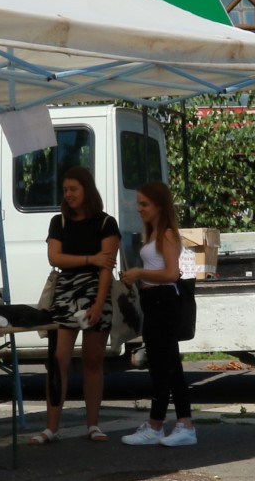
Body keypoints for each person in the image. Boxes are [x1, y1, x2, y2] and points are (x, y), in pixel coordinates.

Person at [32, 167, 119, 444]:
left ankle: (93, 424)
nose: (68, 194)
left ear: (87, 190)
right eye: (65, 190)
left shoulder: (107, 223)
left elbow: (107, 267)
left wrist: (98, 304)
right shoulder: (59, 221)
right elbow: (54, 258)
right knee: (58, 361)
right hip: (65, 294)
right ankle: (51, 427)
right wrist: (90, 259)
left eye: (73, 189)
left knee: (93, 362)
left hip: (97, 294)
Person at [118, 180, 196, 447]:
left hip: (164, 300)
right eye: (139, 204)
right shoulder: (152, 234)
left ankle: (174, 425)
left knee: (168, 365)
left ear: (159, 206)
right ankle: (163, 424)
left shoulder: (167, 235)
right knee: (162, 365)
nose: (139, 209)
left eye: (145, 204)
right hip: (153, 300)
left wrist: (140, 273)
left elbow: (171, 273)